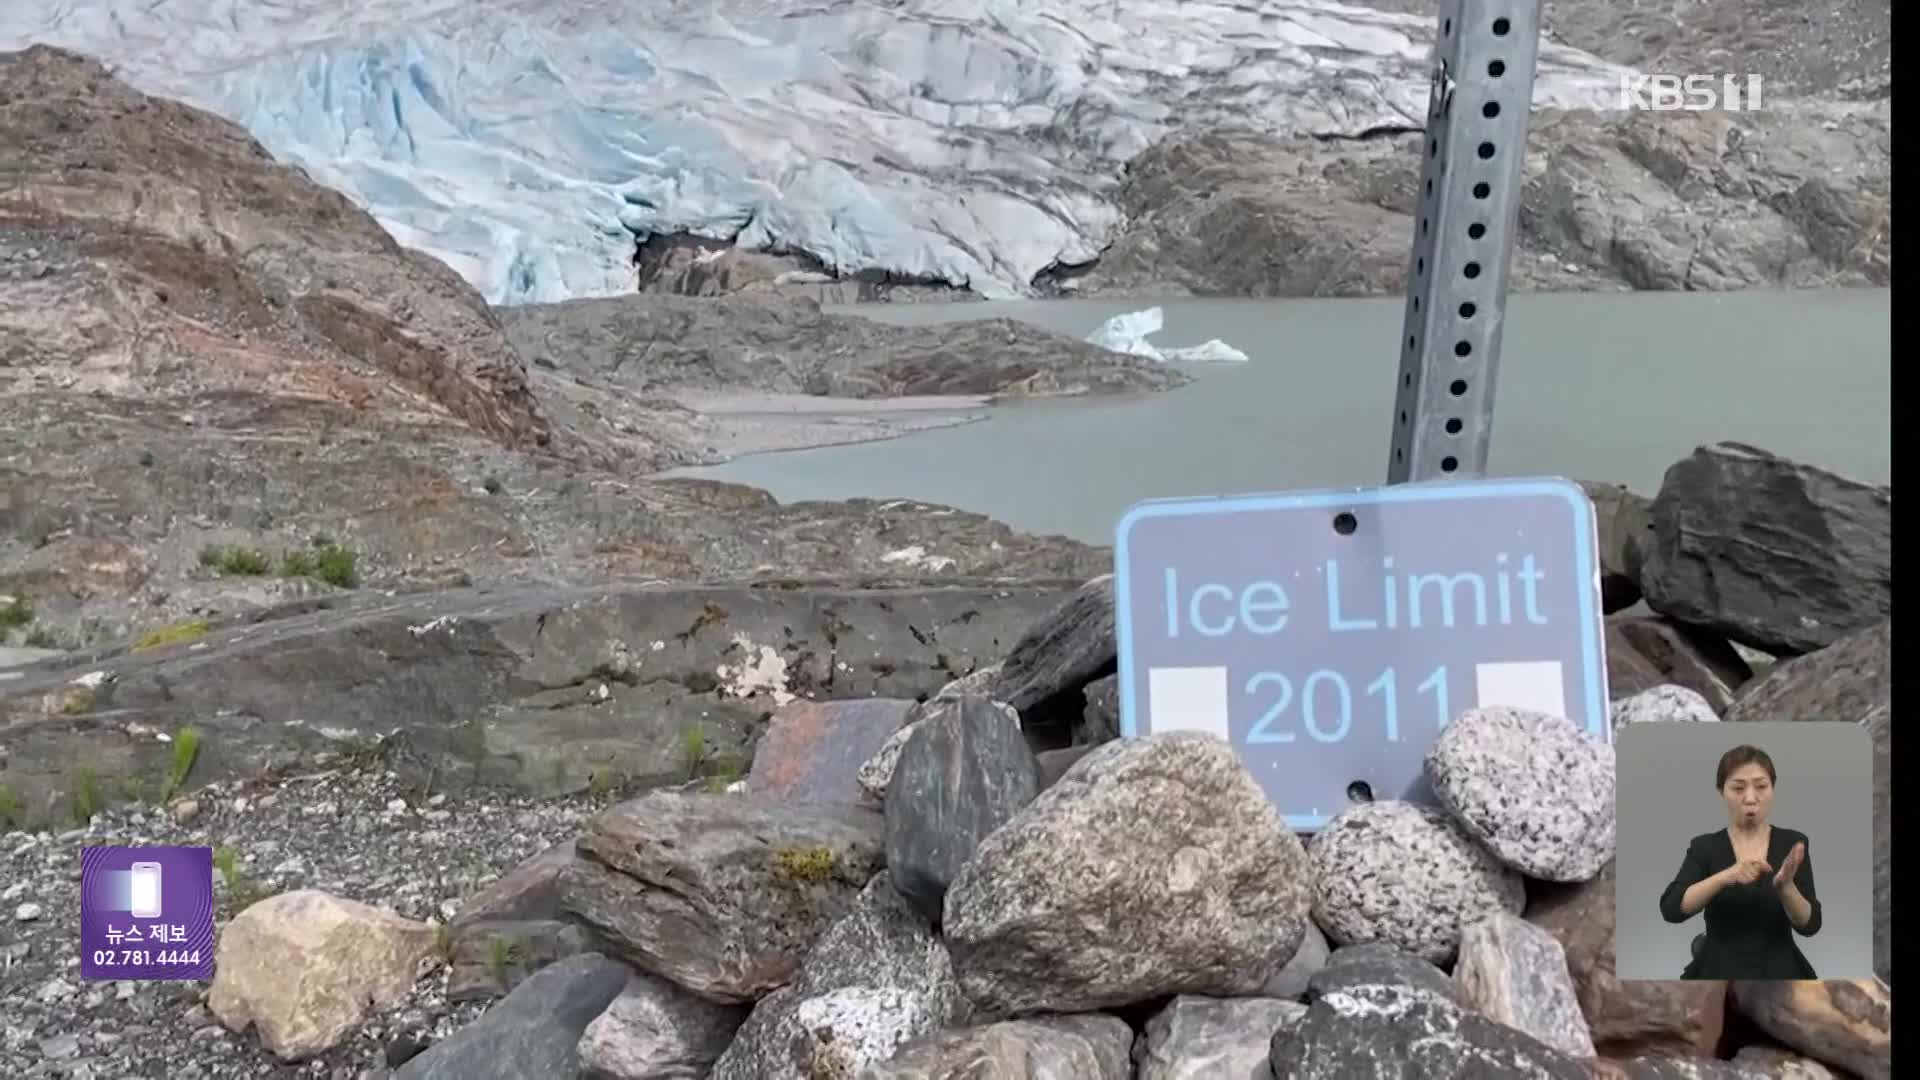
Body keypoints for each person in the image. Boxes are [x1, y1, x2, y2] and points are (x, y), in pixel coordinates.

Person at [1658, 744, 1822, 979]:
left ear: (1773, 789)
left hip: (1781, 971)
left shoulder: (1793, 842)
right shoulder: (1705, 847)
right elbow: (1671, 908)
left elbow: (1810, 925)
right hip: (1717, 971)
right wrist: (1726, 877)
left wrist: (1786, 887)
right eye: (1738, 788)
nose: (1750, 798)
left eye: (1761, 787)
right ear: (1721, 791)